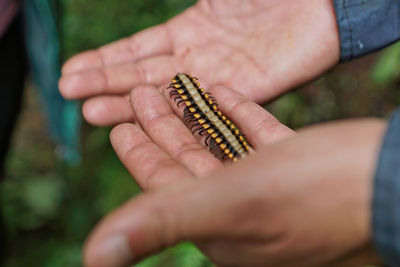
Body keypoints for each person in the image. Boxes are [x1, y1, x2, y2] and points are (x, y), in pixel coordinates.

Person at [59, 0, 400, 266]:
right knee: (217, 134)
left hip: (232, 143)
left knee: (219, 137)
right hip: (229, 139)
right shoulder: (196, 101)